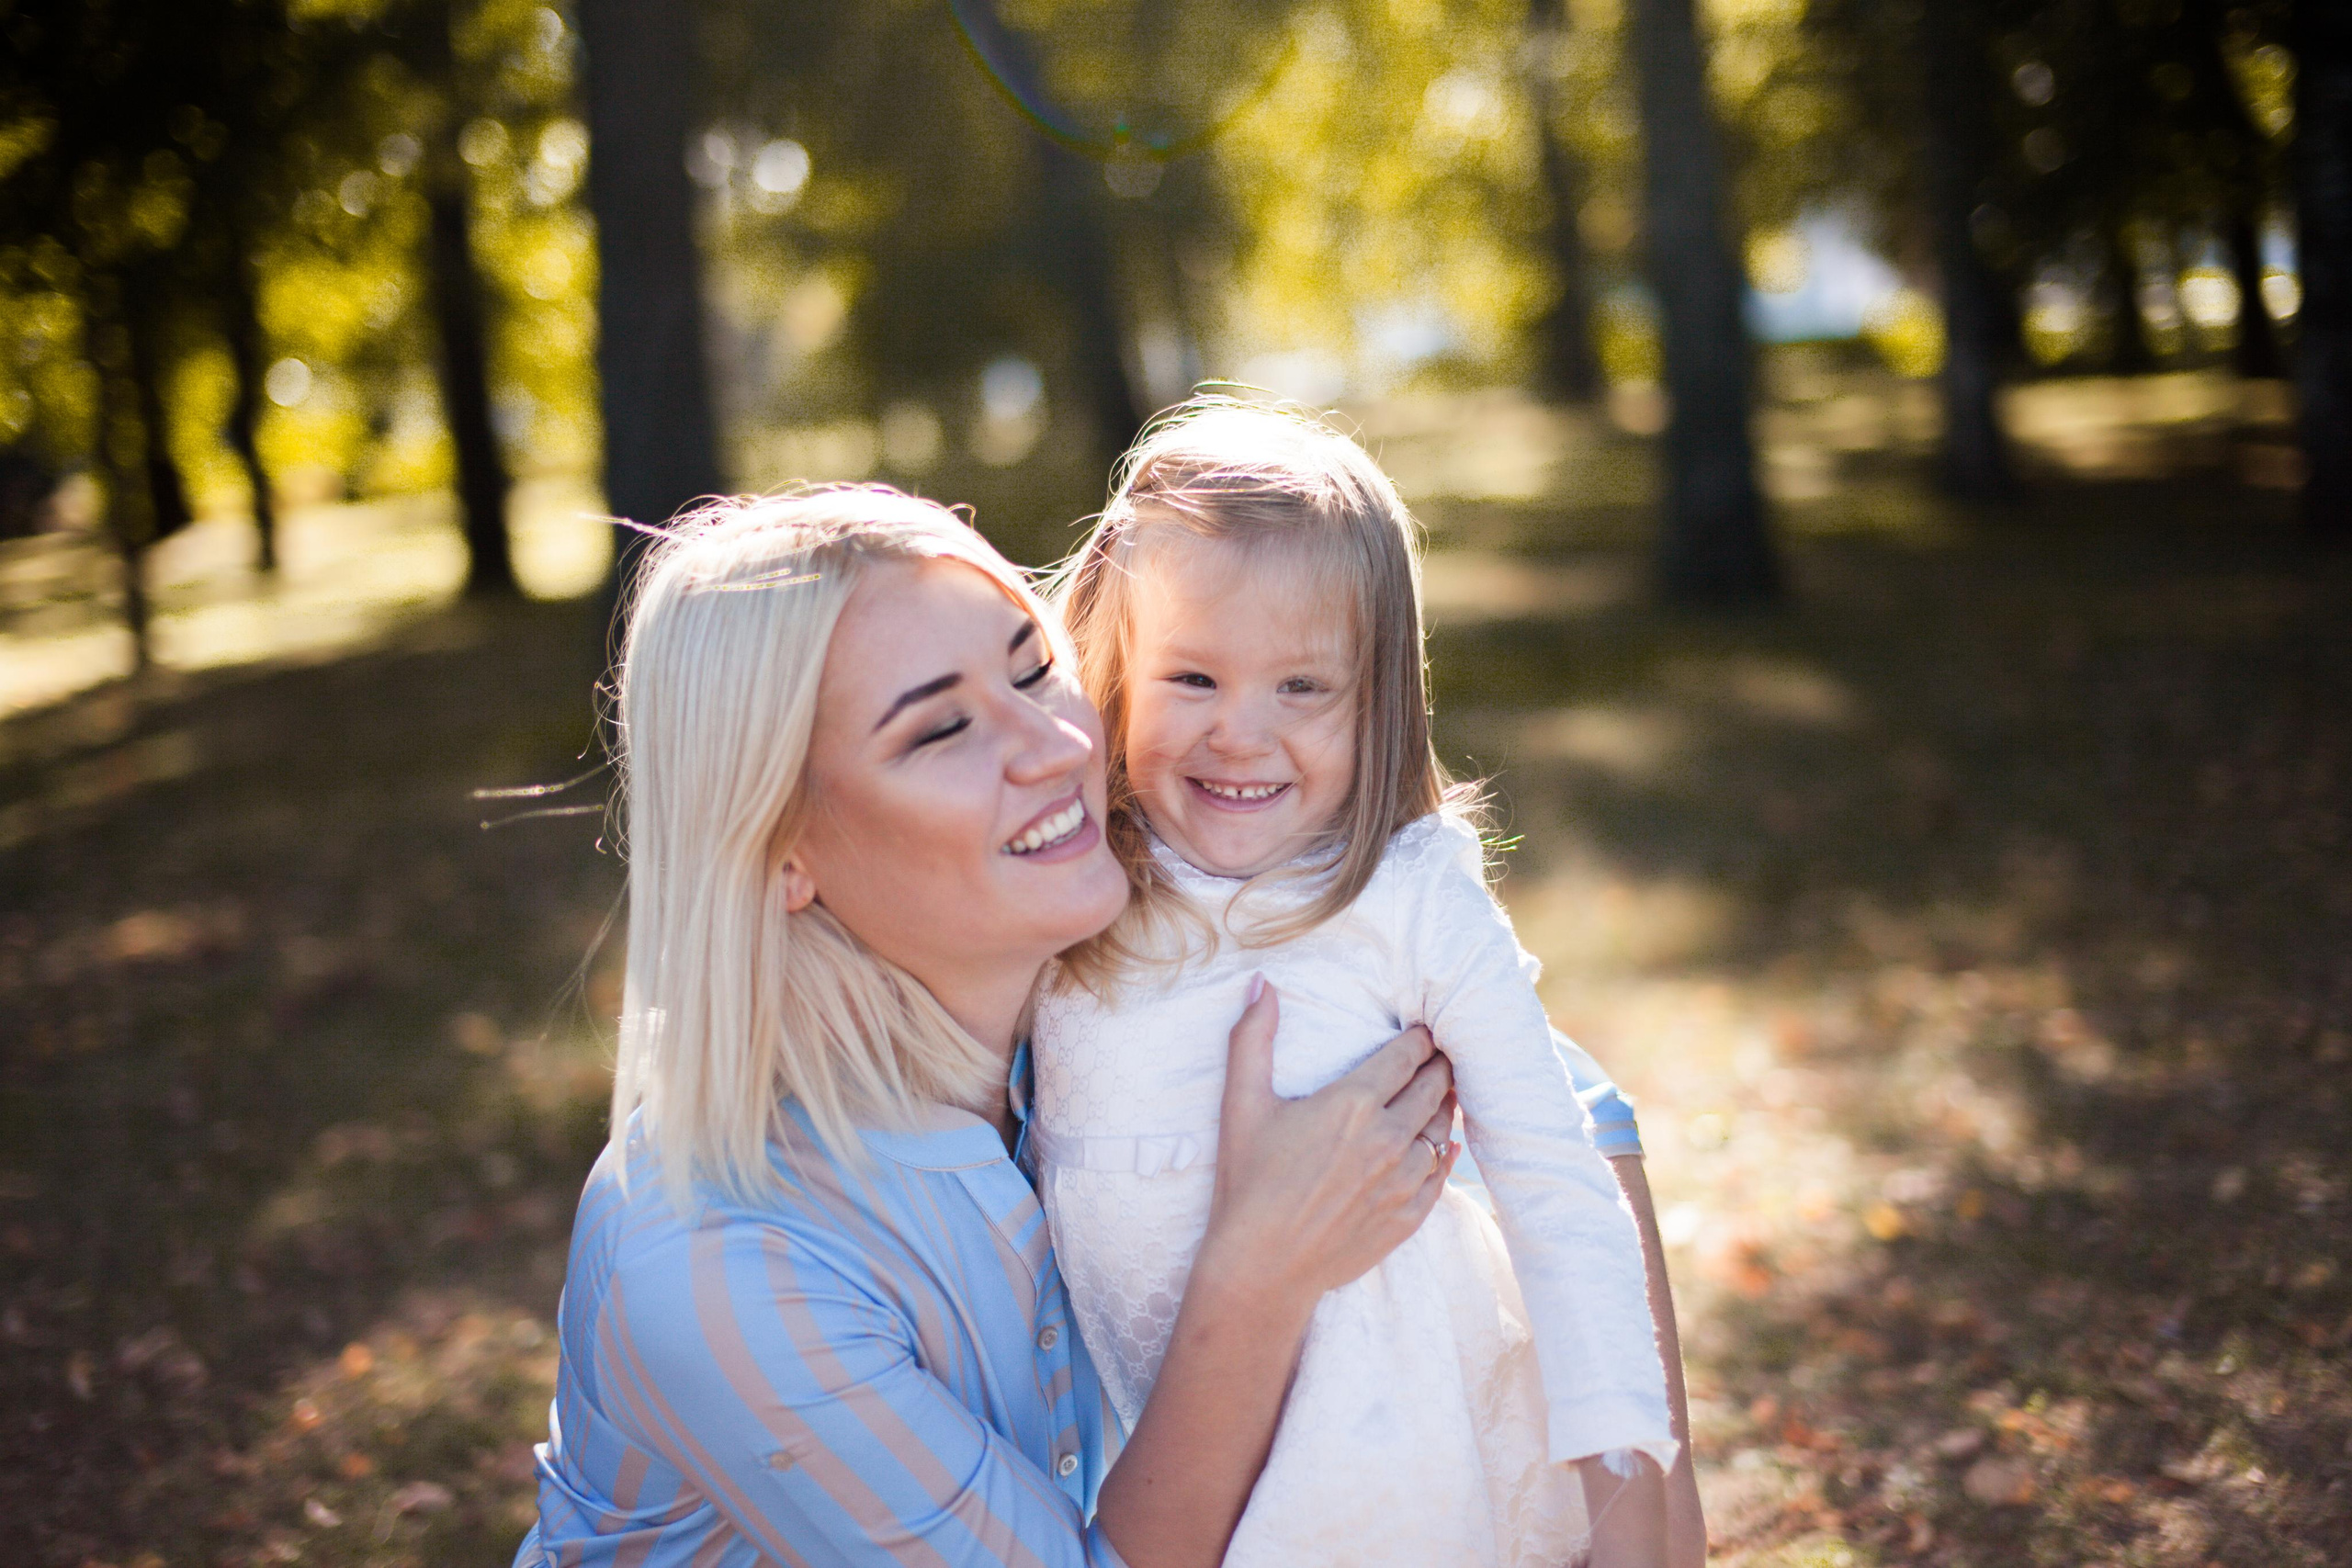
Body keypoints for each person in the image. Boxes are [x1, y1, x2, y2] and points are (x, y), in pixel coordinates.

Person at [511, 487, 1466, 1568]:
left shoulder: (1084, 996)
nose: (1054, 745)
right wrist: (1256, 1278)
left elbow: (1542, 1077)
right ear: (779, 851)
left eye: (1029, 667)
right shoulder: (721, 1265)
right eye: (942, 728)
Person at [1031, 398, 1693, 1566]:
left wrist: (1625, 1489)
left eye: (1302, 688)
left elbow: (1556, 1178)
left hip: (1396, 1442)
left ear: (1377, 698)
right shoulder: (1076, 892)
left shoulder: (1409, 894)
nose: (1242, 733)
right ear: (1114, 673)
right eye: (1192, 678)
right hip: (1172, 1433)